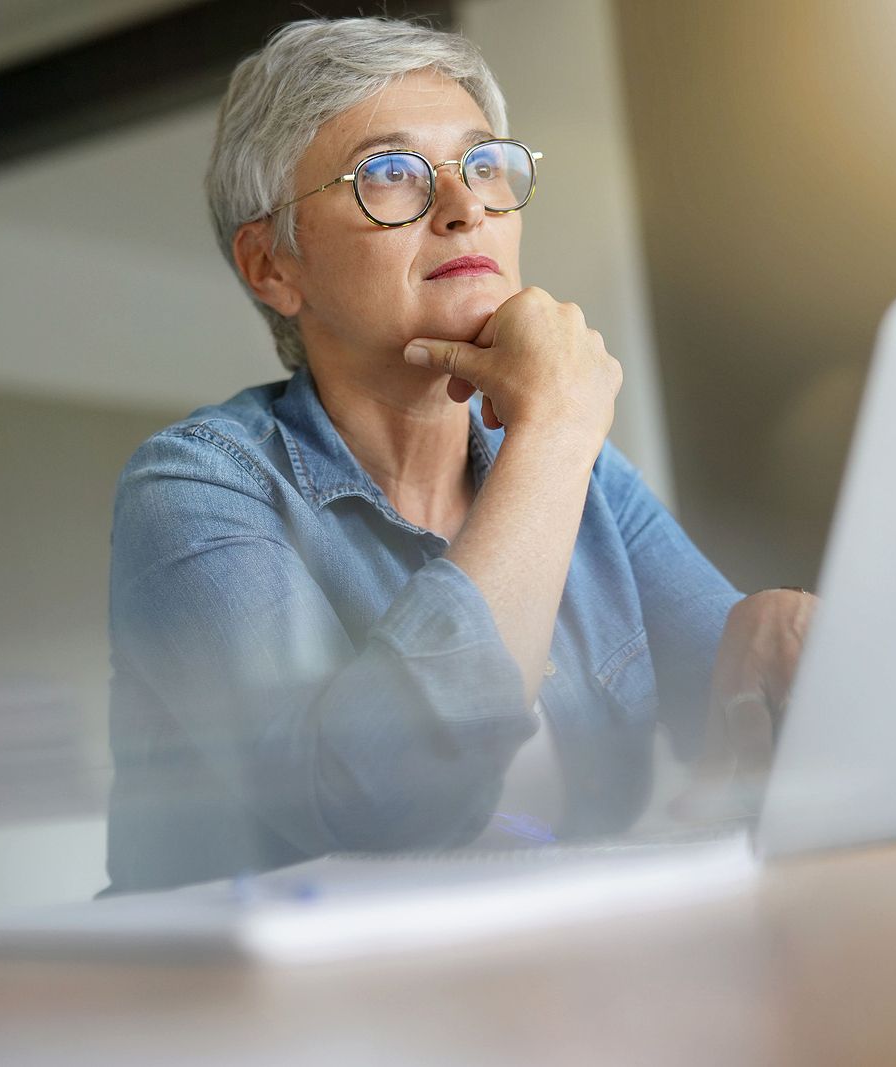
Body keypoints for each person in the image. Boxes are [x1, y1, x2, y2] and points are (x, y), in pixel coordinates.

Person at [104, 17, 814, 894]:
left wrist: (780, 657)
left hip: (538, 982)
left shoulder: (581, 472)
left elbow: (747, 719)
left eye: (484, 165)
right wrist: (551, 431)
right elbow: (380, 803)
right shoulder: (195, 486)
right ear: (273, 267)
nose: (466, 205)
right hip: (265, 1015)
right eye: (390, 174)